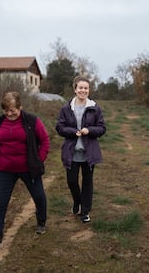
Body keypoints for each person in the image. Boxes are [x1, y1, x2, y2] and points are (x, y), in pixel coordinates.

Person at [0, 91, 50, 251]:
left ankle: (41, 222)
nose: (9, 114)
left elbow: (45, 140)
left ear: (20, 107)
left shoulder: (32, 121)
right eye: (6, 110)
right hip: (4, 170)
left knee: (39, 196)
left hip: (28, 168)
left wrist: (38, 160)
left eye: (13, 110)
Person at [55, 76, 106, 223]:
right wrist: (72, 132)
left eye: (86, 88)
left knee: (87, 182)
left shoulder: (95, 108)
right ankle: (77, 201)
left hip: (89, 152)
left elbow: (102, 128)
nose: (83, 90)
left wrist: (89, 130)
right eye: (80, 88)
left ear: (89, 90)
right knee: (71, 181)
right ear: (75, 89)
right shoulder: (66, 108)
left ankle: (85, 211)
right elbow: (59, 127)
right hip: (71, 152)